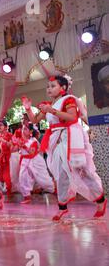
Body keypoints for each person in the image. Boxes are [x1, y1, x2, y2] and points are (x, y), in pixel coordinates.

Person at [22, 75, 106, 220]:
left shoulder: (69, 100)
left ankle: (100, 200)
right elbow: (35, 120)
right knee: (60, 175)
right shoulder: (48, 104)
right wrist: (28, 109)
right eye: (48, 86)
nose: (49, 88)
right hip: (56, 141)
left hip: (70, 138)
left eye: (53, 86)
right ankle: (62, 207)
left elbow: (73, 118)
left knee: (81, 171)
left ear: (64, 87)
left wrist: (52, 111)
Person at [13, 126, 55, 204]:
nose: (23, 130)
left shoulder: (33, 141)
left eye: (25, 129)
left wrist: (23, 145)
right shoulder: (21, 140)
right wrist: (15, 143)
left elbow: (32, 153)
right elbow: (13, 149)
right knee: (23, 178)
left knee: (43, 180)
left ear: (30, 132)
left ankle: (54, 188)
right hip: (25, 161)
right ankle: (27, 196)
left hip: (35, 161)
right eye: (22, 129)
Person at [0, 119, 13, 198]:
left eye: (0, 125)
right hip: (1, 158)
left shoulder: (10, 135)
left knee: (6, 177)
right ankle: (5, 191)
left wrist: (3, 140)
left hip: (9, 157)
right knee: (1, 177)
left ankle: (9, 194)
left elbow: (11, 146)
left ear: (5, 127)